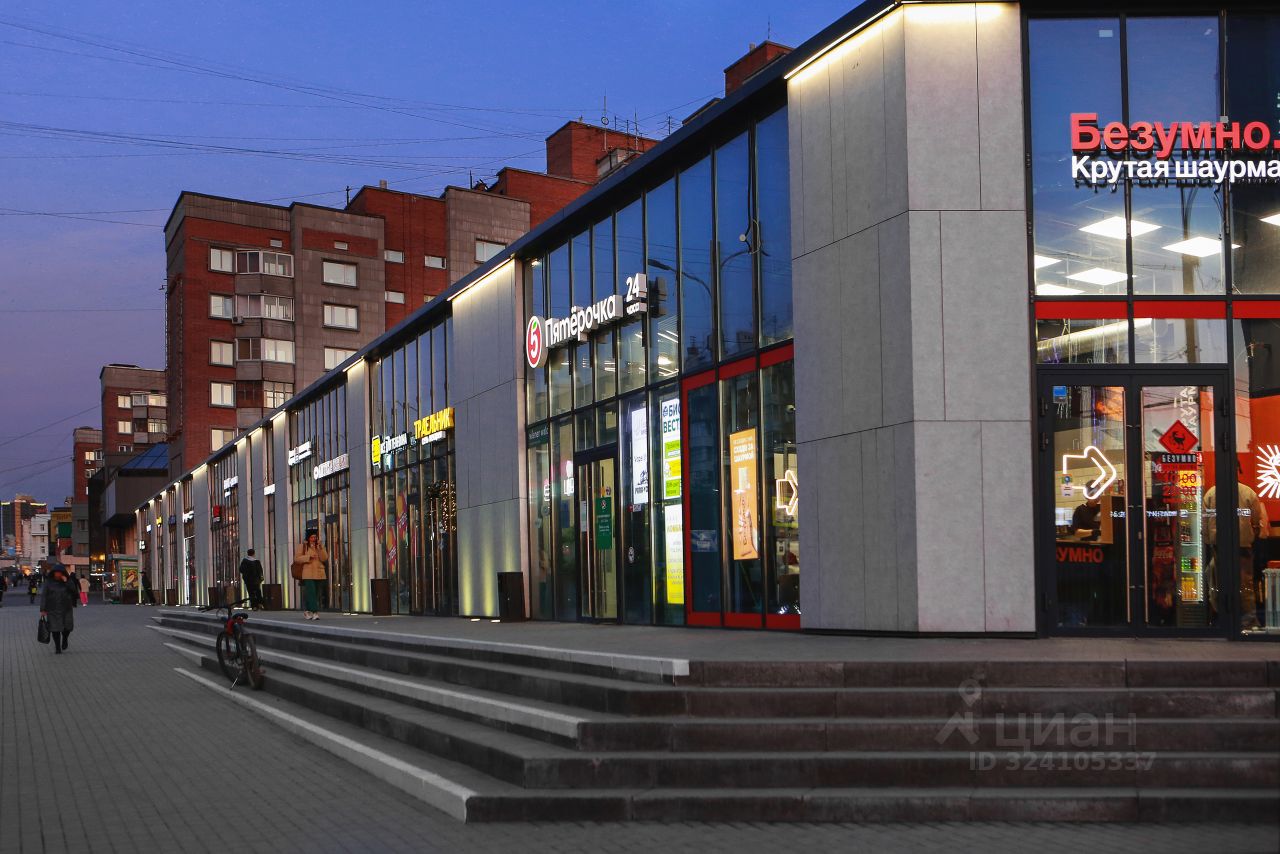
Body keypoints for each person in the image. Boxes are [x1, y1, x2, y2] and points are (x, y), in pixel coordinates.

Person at [1204, 460, 1269, 630]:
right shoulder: (1248, 492)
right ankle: (1248, 621)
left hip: (1219, 544)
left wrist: (1209, 541)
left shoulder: (1211, 493)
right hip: (1243, 544)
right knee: (1245, 583)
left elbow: (1205, 522)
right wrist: (1252, 535)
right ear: (1237, 471)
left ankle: (1223, 618)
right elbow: (1256, 520)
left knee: (1220, 581)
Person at [39, 565, 78, 654]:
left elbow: (74, 592)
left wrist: (67, 582)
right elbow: (44, 596)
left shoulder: (68, 581)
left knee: (67, 627)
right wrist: (43, 609)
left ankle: (65, 639)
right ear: (53, 573)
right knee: (55, 628)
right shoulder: (48, 582)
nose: (58, 574)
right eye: (56, 572)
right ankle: (57, 647)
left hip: (66, 608)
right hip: (53, 609)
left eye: (60, 572)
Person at [294, 531, 328, 621]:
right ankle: (315, 612)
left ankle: (308, 611)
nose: (313, 539)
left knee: (315, 594)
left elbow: (324, 558)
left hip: (319, 573)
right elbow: (297, 559)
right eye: (312, 537)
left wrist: (320, 547)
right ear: (308, 538)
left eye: (315, 537)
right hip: (308, 573)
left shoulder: (319, 546)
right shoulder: (303, 546)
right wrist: (308, 557)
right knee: (311, 592)